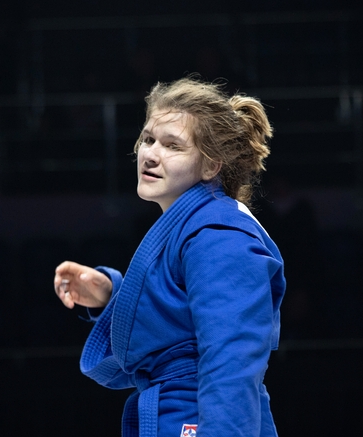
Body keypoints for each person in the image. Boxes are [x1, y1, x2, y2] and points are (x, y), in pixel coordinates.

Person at [53, 77, 286, 437]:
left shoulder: (221, 236)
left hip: (203, 418)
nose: (150, 154)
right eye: (148, 139)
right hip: (180, 413)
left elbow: (231, 362)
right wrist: (112, 295)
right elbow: (179, 323)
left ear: (210, 166)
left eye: (173, 145)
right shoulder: (195, 228)